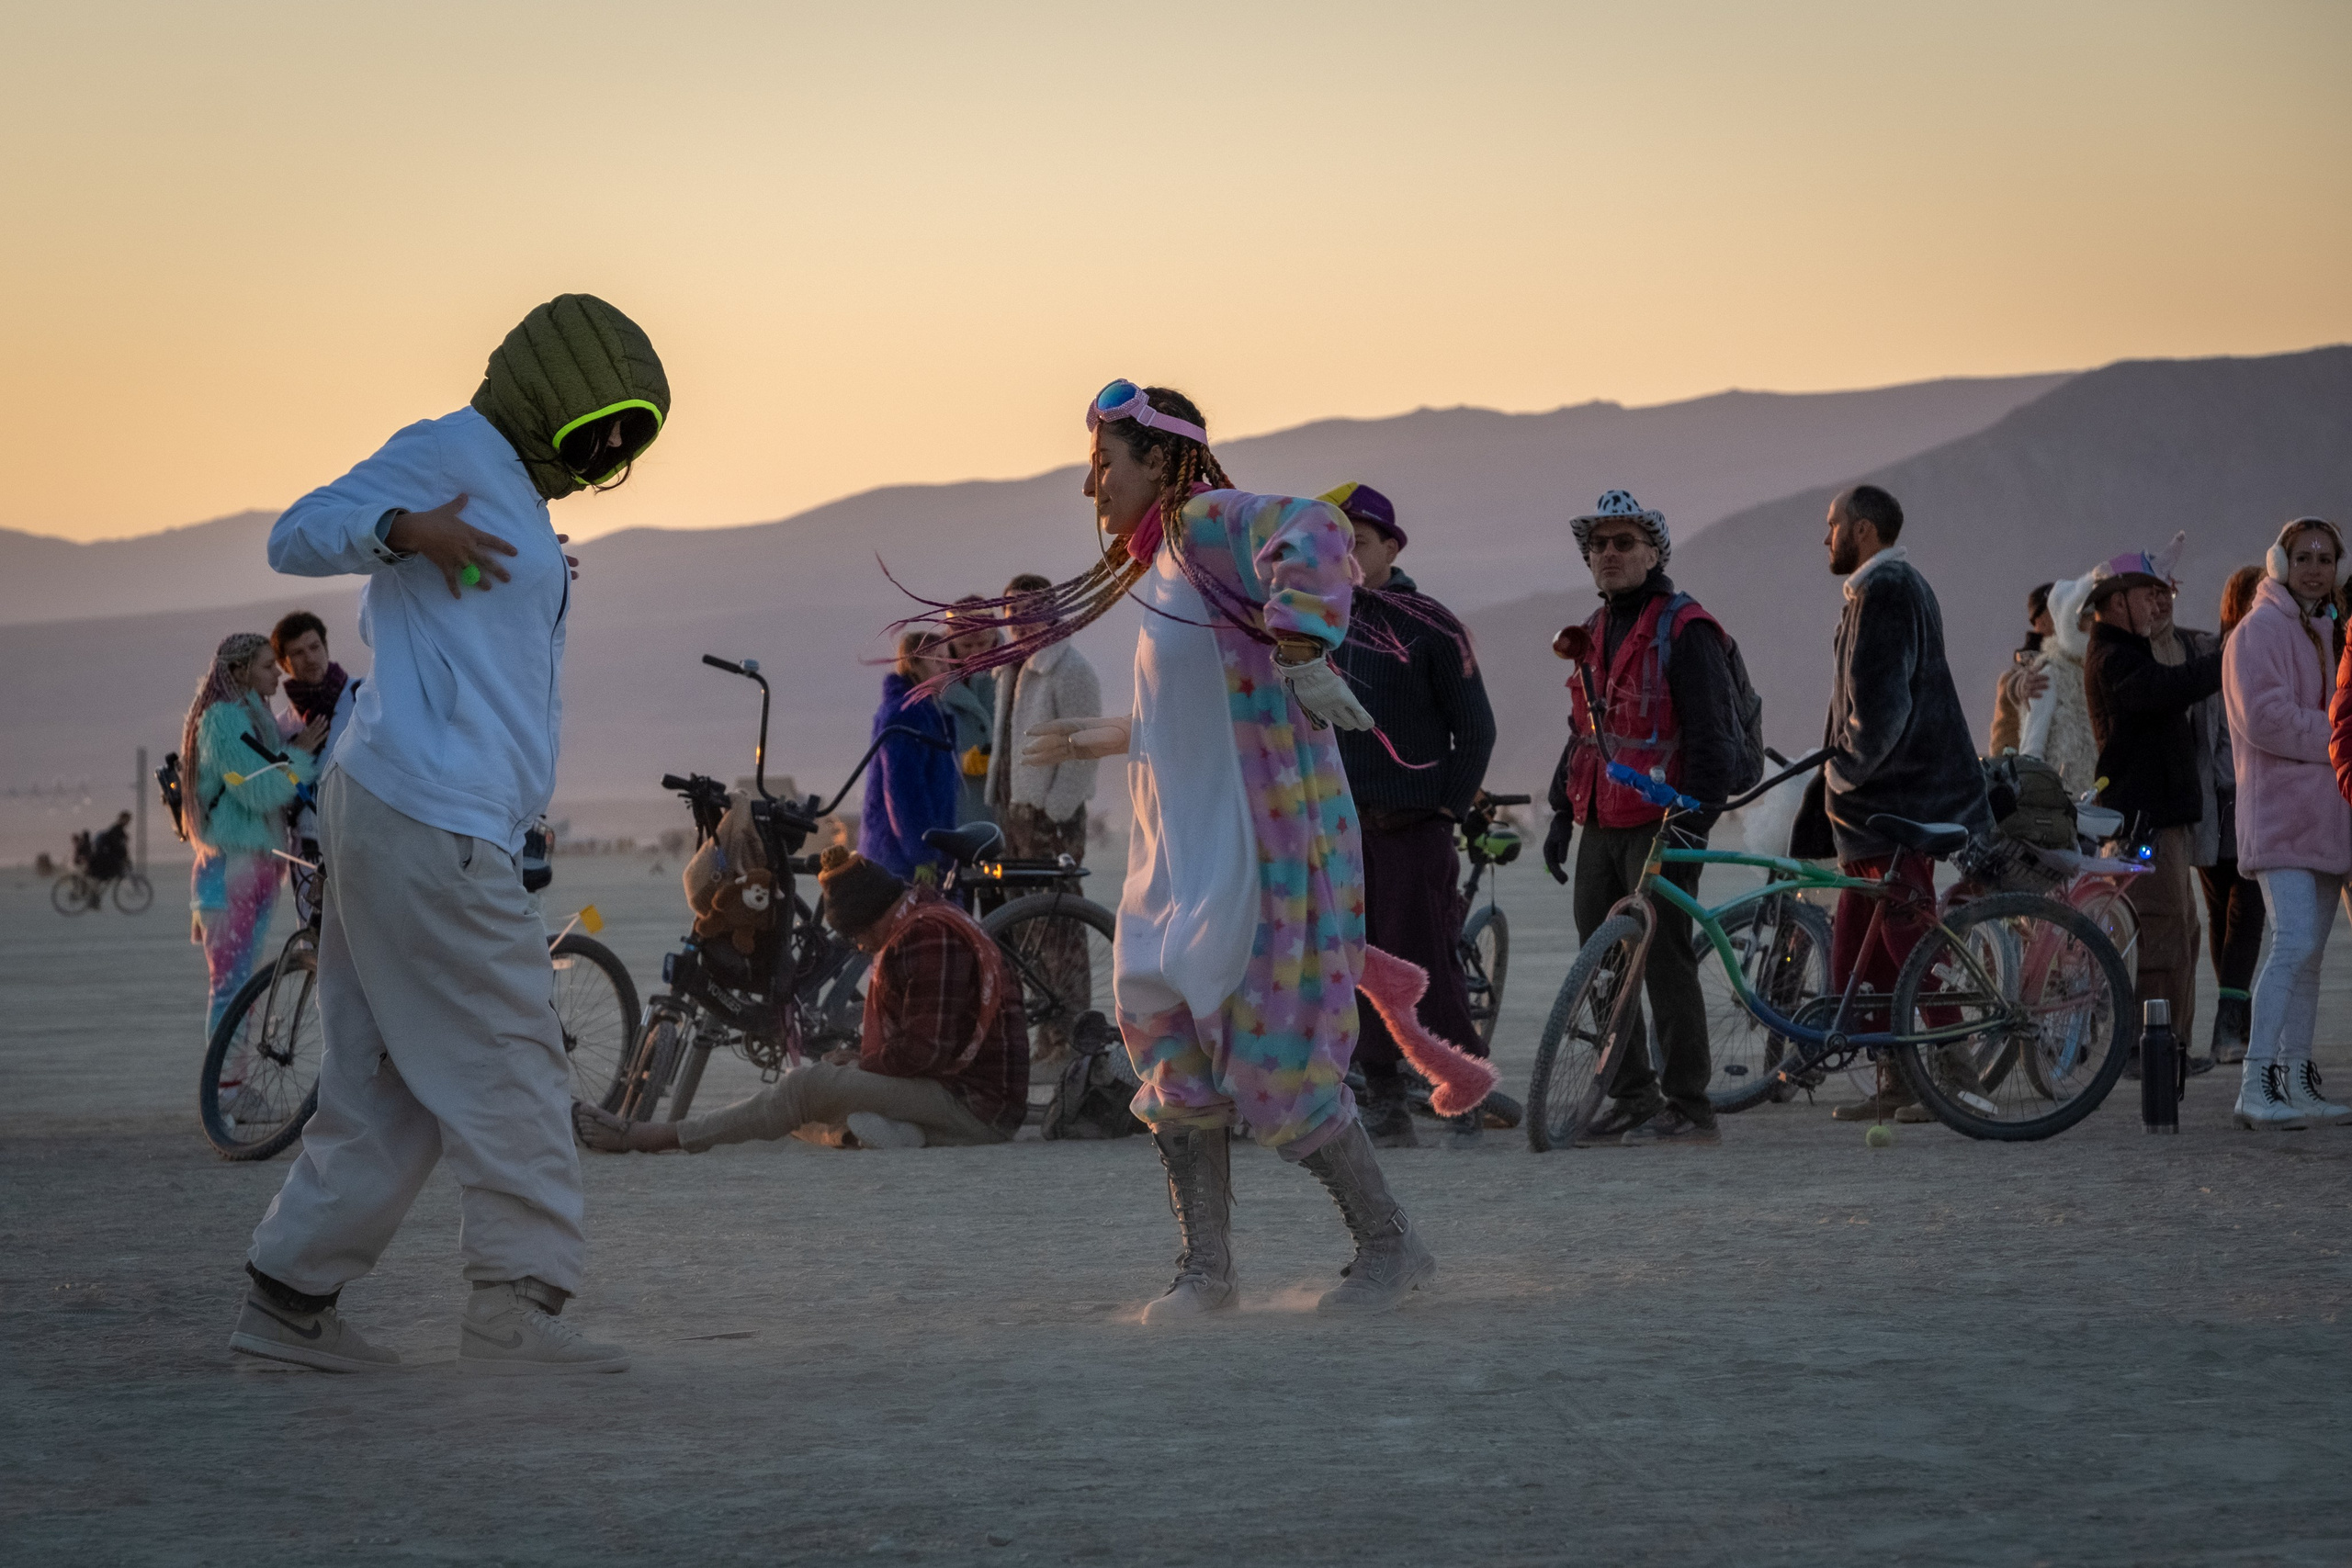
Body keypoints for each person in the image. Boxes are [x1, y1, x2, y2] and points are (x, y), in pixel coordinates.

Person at [939, 379, 1493, 1319]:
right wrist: (1114, 734)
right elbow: (1205, 699)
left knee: (1274, 1051)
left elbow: (1316, 528)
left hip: (1253, 856)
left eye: (1103, 463)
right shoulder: (1166, 567)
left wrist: (1302, 644)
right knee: (1168, 1047)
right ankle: (1207, 1272)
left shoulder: (1206, 524)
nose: (1090, 486)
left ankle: (1390, 1244)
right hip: (1175, 859)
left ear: (1159, 458)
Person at [232, 293, 669, 1376]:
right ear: (549, 393)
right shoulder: (446, 451)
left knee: (386, 1072)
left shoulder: (511, 484)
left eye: (626, 442)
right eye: (599, 432)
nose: (608, 459)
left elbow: (467, 637)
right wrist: (402, 529)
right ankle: (515, 1310)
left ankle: (289, 1305)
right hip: (432, 812)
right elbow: (296, 532)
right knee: (515, 1051)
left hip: (410, 808)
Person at [573, 845, 1029, 1154]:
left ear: (867, 922)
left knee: (804, 1090)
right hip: (954, 1092)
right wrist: (856, 1061)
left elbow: (924, 1052)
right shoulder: (922, 919)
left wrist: (858, 1065)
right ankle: (874, 1134)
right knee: (794, 1101)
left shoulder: (926, 938)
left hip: (975, 1110)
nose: (861, 949)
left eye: (858, 940)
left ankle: (660, 1137)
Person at [1543, 490, 1741, 1146]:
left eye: (1624, 542)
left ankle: (1689, 1104)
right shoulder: (1592, 631)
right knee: (1600, 962)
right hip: (1600, 819)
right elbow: (1584, 731)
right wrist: (1560, 814)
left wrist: (1694, 819)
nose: (1609, 553)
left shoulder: (1687, 629)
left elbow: (1712, 735)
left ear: (1654, 553)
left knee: (1664, 961)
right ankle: (1631, 1095)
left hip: (1664, 820)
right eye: (1599, 544)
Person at [1321, 480, 1496, 1147]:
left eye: (1359, 541)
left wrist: (1443, 809)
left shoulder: (1432, 626)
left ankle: (1466, 1085)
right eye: (1332, 542)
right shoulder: (1312, 629)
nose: (1345, 554)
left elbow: (1475, 730)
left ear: (1392, 547)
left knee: (1429, 966)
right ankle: (1385, 1099)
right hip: (1340, 833)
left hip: (1413, 829)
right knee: (1355, 966)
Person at [1815, 484, 1992, 1123]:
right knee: (1865, 953)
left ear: (1862, 530)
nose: (1826, 537)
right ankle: (1899, 1079)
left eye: (1833, 524)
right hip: (1877, 813)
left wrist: (1841, 773)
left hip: (1892, 807)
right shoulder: (1884, 588)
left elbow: (1881, 711)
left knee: (1912, 939)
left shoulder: (1886, 590)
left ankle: (1959, 1081)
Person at [2227, 518, 2352, 1129]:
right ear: (2279, 561)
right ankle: (2256, 1083)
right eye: (2303, 557)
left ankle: (2296, 1079)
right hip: (2280, 819)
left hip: (2326, 823)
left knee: (2310, 958)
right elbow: (2265, 718)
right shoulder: (2258, 631)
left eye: (2326, 559)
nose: (2315, 569)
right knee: (2293, 945)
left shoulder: (2328, 630)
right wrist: (2337, 735)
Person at [2083, 544, 2224, 1061]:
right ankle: (2153, 1052)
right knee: (2162, 935)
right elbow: (2168, 688)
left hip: (2163, 818)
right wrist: (2227, 661)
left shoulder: (2128, 652)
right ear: (2118, 601)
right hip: (2146, 823)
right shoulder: (2114, 658)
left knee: (2183, 931)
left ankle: (2174, 1048)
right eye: (2148, 594)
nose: (2158, 604)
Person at [986, 570, 1103, 1062]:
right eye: (1011, 611)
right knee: (1026, 930)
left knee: (1060, 926)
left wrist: (1057, 809)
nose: (1019, 620)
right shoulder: (1010, 670)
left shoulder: (1069, 670)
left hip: (1050, 819)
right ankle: (1045, 1038)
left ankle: (1074, 1038)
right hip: (1012, 814)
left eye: (1030, 611)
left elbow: (1085, 748)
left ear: (1052, 613)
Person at [181, 632, 322, 1043]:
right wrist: (301, 754)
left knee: (242, 989)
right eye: (266, 666)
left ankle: (233, 1078)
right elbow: (256, 788)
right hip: (232, 867)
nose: (277, 674)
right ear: (239, 671)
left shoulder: (254, 717)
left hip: (255, 865)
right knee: (232, 988)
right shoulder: (223, 720)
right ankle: (225, 1079)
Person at [860, 629, 962, 883]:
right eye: (937, 661)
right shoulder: (908, 714)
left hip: (914, 851)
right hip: (903, 859)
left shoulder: (927, 712)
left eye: (947, 660)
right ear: (914, 664)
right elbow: (904, 789)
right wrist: (922, 855)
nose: (946, 668)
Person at [2018, 574, 2101, 795]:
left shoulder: (2097, 672)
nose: (2095, 623)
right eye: (2087, 616)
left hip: (2097, 801)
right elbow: (2031, 751)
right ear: (2071, 622)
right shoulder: (2049, 673)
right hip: (2062, 802)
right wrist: (2041, 800)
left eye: (2096, 615)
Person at [939, 598, 1001, 828]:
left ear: (994, 634)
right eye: (966, 646)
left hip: (1003, 804)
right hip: (954, 804)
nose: (975, 653)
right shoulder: (931, 678)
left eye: (981, 643)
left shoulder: (1015, 671)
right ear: (950, 639)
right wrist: (956, 760)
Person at [1988, 581, 2055, 756]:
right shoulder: (2022, 673)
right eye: (2056, 608)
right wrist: (2018, 686)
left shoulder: (2074, 662)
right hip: (2026, 768)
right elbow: (2012, 684)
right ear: (2040, 621)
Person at [87, 811, 132, 883]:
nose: (128, 822)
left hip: (107, 854)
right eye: (127, 819)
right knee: (115, 871)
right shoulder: (116, 830)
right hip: (108, 855)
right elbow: (117, 845)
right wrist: (124, 855)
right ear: (122, 819)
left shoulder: (118, 830)